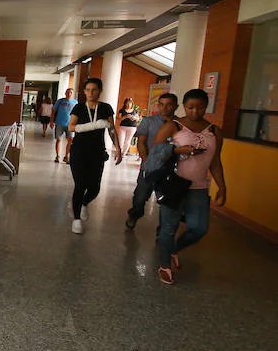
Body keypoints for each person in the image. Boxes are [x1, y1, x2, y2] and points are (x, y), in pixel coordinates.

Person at [151, 89, 226, 285]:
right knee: (168, 228)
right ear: (184, 107)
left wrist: (222, 187)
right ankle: (165, 265)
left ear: (205, 107)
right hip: (174, 185)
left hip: (199, 187)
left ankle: (174, 248)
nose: (195, 111)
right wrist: (176, 151)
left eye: (200, 107)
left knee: (199, 228)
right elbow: (156, 152)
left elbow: (216, 162)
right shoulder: (174, 126)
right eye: (190, 107)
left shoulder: (214, 131)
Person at [67, 78, 122, 234]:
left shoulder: (105, 108)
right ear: (84, 91)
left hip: (97, 152)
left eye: (94, 90)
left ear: (100, 91)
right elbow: (71, 127)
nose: (91, 93)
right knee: (80, 184)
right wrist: (93, 125)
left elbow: (111, 129)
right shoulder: (79, 107)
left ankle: (84, 203)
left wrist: (117, 148)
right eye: (88, 90)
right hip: (79, 151)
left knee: (95, 187)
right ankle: (76, 219)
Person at [126, 93, 178, 229]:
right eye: (161, 104)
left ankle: (163, 230)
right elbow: (141, 142)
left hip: (171, 169)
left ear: (176, 106)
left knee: (168, 201)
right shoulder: (148, 121)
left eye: (169, 104)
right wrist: (147, 162)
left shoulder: (180, 124)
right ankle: (134, 214)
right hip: (149, 166)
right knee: (140, 197)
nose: (165, 108)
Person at [51, 88, 77, 163]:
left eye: (71, 92)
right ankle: (57, 156)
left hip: (70, 124)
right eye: (68, 92)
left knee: (70, 140)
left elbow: (77, 114)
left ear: (72, 94)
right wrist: (51, 121)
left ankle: (66, 156)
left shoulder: (75, 102)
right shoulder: (60, 101)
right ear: (65, 93)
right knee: (58, 140)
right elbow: (53, 111)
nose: (69, 94)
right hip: (59, 123)